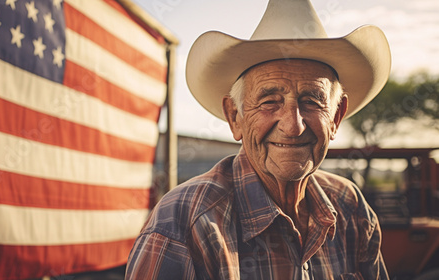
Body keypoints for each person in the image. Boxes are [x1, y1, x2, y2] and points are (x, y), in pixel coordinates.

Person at [126, 0, 391, 279]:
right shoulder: (183, 224)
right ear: (235, 117)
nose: (293, 126)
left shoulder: (350, 207)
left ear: (336, 118)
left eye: (312, 101)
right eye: (269, 101)